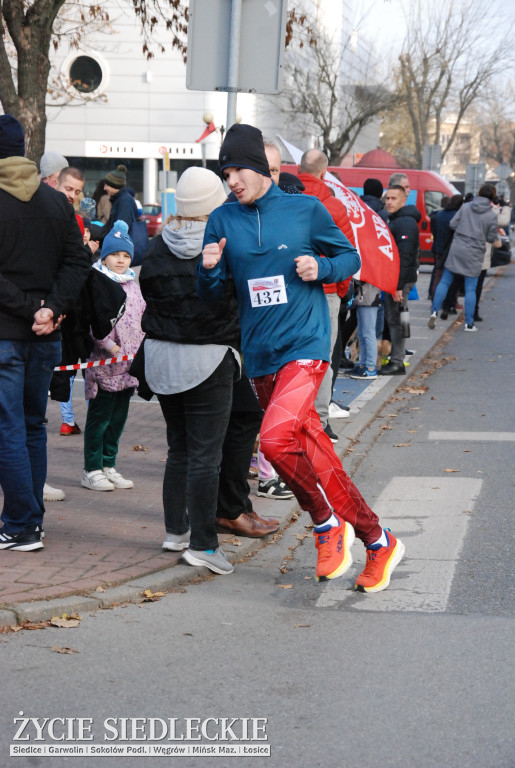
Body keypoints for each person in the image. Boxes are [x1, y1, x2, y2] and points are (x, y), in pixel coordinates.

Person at [199, 123, 405, 592]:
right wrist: (209, 270)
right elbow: (213, 297)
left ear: (258, 168)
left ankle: (325, 525)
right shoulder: (222, 220)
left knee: (272, 441)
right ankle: (377, 539)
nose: (230, 180)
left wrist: (322, 267)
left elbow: (349, 259)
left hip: (306, 345)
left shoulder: (305, 209)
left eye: (236, 171)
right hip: (261, 353)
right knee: (314, 453)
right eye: (225, 172)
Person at [139, 167, 241, 575]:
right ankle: (204, 544)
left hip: (162, 357)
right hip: (209, 358)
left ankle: (175, 530)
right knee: (205, 455)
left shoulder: (157, 245)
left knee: (179, 448)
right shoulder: (221, 245)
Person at [0, 115, 90, 551]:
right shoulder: (57, 204)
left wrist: (33, 309)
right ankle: (29, 521)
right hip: (45, 333)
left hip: (8, 332)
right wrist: (51, 308)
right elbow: (78, 263)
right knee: (32, 424)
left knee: (10, 427)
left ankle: (20, 524)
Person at [81, 221, 145, 491]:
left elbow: (141, 315)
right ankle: (92, 468)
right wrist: (108, 345)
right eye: (116, 255)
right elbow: (89, 320)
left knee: (118, 418)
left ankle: (109, 464)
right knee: (100, 417)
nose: (120, 260)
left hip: (128, 366)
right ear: (104, 255)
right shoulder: (96, 280)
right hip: (104, 365)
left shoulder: (132, 283)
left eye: (126, 255)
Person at [298, 148, 354, 439]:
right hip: (328, 291)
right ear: (324, 171)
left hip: (293, 290)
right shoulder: (334, 206)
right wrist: (341, 292)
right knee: (324, 359)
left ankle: (293, 416)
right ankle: (319, 422)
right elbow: (345, 255)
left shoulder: (286, 199)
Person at [429, 184, 501, 332]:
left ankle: (434, 311)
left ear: (479, 193)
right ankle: (469, 323)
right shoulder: (491, 215)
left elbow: (453, 224)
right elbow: (491, 237)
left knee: (445, 280)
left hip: (457, 248)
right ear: (492, 197)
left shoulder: (466, 207)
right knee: (470, 288)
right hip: (475, 253)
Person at [55, 167, 87, 435]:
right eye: (69, 189)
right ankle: (67, 419)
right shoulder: (60, 215)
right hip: (61, 302)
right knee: (65, 365)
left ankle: (68, 420)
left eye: (77, 191)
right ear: (56, 183)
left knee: (70, 364)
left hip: (68, 302)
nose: (73, 195)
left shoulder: (75, 219)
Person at [379, 184, 420, 375]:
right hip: (396, 279)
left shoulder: (405, 223)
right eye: (387, 198)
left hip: (399, 280)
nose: (389, 202)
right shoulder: (397, 219)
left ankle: (397, 361)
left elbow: (405, 257)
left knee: (395, 320)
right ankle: (397, 358)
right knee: (398, 318)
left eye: (393, 198)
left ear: (404, 200)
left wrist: (398, 286)